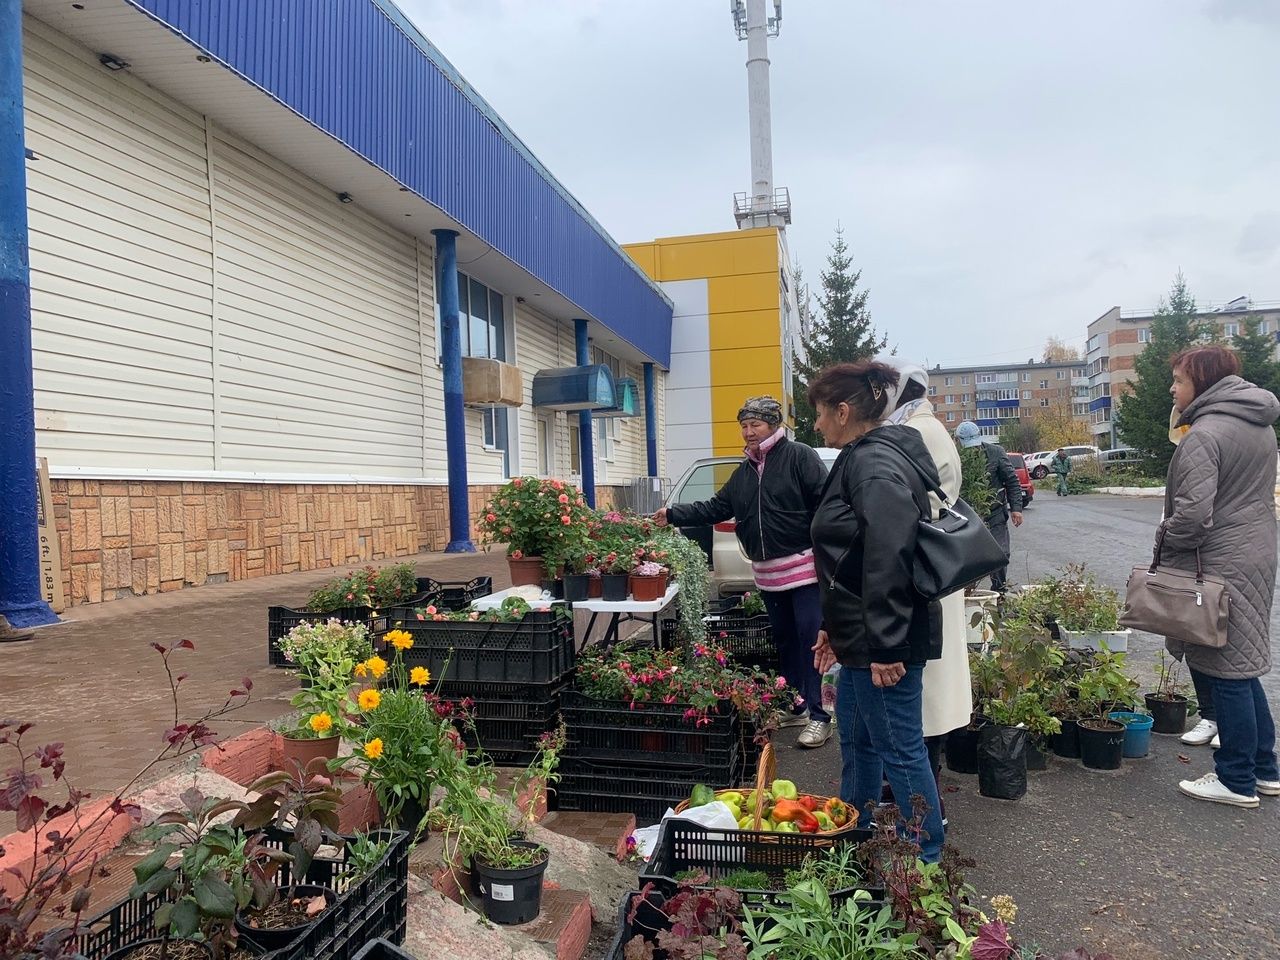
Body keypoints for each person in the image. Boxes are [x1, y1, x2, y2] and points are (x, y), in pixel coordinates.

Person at [808, 360, 946, 862]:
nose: (817, 425)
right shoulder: (861, 457)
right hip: (859, 636)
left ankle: (925, 861)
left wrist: (886, 645)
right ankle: (854, 833)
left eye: (821, 414)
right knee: (861, 740)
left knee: (900, 749)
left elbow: (889, 556)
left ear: (843, 412)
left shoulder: (874, 464)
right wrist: (832, 628)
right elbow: (852, 556)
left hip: (882, 642)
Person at [654, 396, 833, 748]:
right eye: (745, 426)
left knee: (812, 642)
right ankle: (796, 704)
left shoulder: (799, 457)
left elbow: (826, 504)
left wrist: (826, 553)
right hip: (768, 575)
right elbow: (717, 507)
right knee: (785, 642)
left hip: (804, 570)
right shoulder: (745, 471)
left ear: (774, 425)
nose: (749, 432)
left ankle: (821, 716)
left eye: (756, 425)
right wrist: (672, 514)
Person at [1157, 346, 1280, 808]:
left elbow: (1192, 515)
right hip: (1255, 552)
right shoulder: (1258, 425)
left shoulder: (1204, 434)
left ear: (1203, 384)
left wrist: (1163, 542)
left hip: (1220, 561)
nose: (1173, 388)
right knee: (1242, 666)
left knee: (1224, 669)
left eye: (1179, 380)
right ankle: (1265, 771)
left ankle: (1235, 778)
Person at [875, 355, 970, 812]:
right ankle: (920, 788)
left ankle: (925, 801)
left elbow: (910, 505)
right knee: (930, 694)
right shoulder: (928, 427)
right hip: (932, 571)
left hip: (920, 572)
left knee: (925, 699)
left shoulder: (915, 432)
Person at [954, 421, 1024, 593]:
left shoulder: (996, 453)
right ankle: (967, 594)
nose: (972, 451)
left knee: (1000, 553)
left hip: (994, 513)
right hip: (967, 516)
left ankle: (999, 592)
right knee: (969, 558)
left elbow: (1012, 482)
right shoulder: (954, 456)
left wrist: (1016, 508)